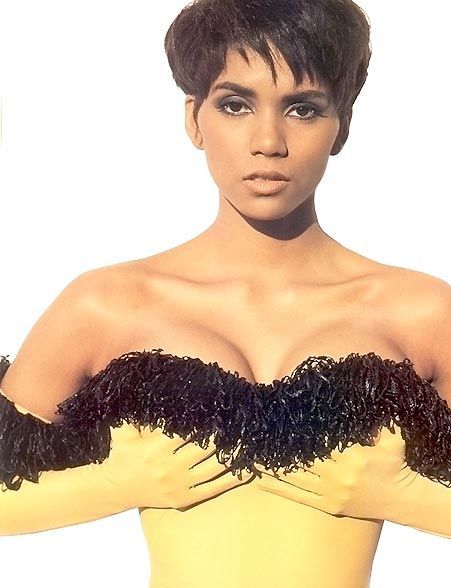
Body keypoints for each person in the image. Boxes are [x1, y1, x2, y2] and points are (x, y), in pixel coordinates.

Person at [1, 1, 450, 587]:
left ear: (342, 125)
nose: (268, 141)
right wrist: (113, 483)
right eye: (235, 105)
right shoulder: (107, 304)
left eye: (303, 109)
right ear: (194, 119)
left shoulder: (421, 312)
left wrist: (404, 496)